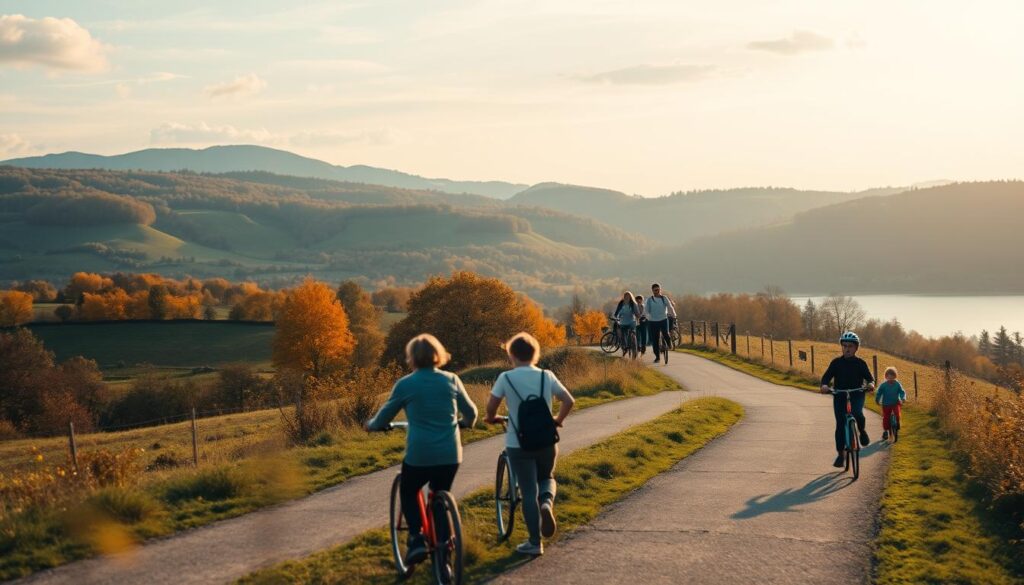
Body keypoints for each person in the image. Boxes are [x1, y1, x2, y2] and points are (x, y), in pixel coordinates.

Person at [365, 334, 478, 565]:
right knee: (440, 491)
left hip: (420, 453)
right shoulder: (452, 380)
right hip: (450, 453)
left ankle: (416, 538)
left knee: (408, 489)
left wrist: (372, 426)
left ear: (412, 358)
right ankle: (444, 548)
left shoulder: (406, 384)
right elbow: (472, 414)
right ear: (438, 354)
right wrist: (464, 424)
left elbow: (384, 416)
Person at [485, 332, 576, 556]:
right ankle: (546, 504)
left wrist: (491, 417)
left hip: (518, 444)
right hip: (546, 439)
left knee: (527, 492)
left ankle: (535, 542)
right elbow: (569, 400)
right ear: (535, 353)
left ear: (511, 355)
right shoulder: (547, 375)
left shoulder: (506, 378)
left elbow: (491, 406)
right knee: (547, 478)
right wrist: (557, 421)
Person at [819, 331, 875, 467]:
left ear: (856, 348)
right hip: (839, 395)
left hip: (857, 393)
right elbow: (826, 377)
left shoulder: (860, 363)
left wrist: (871, 384)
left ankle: (861, 431)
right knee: (840, 424)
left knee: (857, 413)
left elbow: (869, 378)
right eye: (844, 346)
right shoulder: (836, 363)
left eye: (850, 346)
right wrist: (825, 386)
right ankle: (840, 454)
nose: (847, 349)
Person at [644, 283, 677, 364]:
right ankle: (657, 357)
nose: (657, 291)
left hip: (663, 319)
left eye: (658, 290)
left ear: (660, 290)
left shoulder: (664, 298)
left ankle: (669, 344)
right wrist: (647, 317)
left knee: (666, 333)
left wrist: (674, 315)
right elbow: (646, 310)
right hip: (653, 321)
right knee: (655, 340)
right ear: (652, 291)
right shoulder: (649, 300)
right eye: (655, 290)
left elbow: (670, 307)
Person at [875, 366, 906, 440]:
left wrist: (903, 398)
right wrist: (877, 400)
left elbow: (902, 392)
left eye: (892, 377)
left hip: (895, 402)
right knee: (886, 418)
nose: (891, 379)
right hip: (886, 404)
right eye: (889, 377)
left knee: (897, 414)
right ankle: (886, 430)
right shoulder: (883, 385)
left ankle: (897, 423)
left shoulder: (897, 384)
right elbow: (879, 393)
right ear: (886, 377)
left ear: (895, 377)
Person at [613, 291, 641, 356]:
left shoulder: (633, 303)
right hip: (623, 322)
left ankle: (634, 344)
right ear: (624, 297)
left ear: (631, 297)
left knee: (633, 333)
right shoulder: (621, 303)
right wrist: (616, 317)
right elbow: (617, 312)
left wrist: (638, 316)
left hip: (632, 321)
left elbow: (637, 312)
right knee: (623, 335)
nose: (627, 297)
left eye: (628, 296)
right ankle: (624, 347)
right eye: (625, 296)